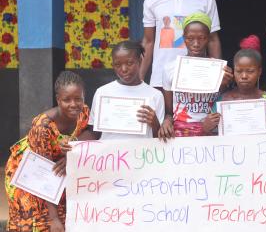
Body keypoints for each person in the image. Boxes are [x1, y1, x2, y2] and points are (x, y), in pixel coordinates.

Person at [5, 71, 89, 232]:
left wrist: (75, 147)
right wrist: (54, 218)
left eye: (78, 98)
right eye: (66, 100)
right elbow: (43, 173)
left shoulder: (83, 112)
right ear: (58, 100)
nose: (73, 104)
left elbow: (92, 131)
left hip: (57, 168)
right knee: (38, 220)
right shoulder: (43, 127)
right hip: (31, 172)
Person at [140, 0, 222, 88]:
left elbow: (213, 39)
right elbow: (148, 41)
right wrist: (139, 78)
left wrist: (218, 75)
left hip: (197, 75)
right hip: (161, 76)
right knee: (165, 111)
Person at [159, 12, 233, 139]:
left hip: (212, 131)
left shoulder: (219, 69)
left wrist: (225, 84)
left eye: (202, 38)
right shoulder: (170, 68)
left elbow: (225, 106)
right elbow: (169, 112)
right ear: (183, 38)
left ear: (209, 38)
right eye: (190, 38)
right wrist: (166, 121)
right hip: (180, 135)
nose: (196, 44)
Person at [203, 35, 266, 134]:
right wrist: (206, 127)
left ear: (259, 71)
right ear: (233, 71)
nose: (244, 76)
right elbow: (214, 135)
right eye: (239, 71)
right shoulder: (222, 100)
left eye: (250, 71)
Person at [88, 40, 165, 140]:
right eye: (117, 65)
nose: (124, 69)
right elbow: (94, 134)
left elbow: (159, 141)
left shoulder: (155, 95)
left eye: (129, 63)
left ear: (140, 61)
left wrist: (155, 123)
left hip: (140, 154)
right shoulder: (102, 93)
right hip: (109, 154)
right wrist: (72, 144)